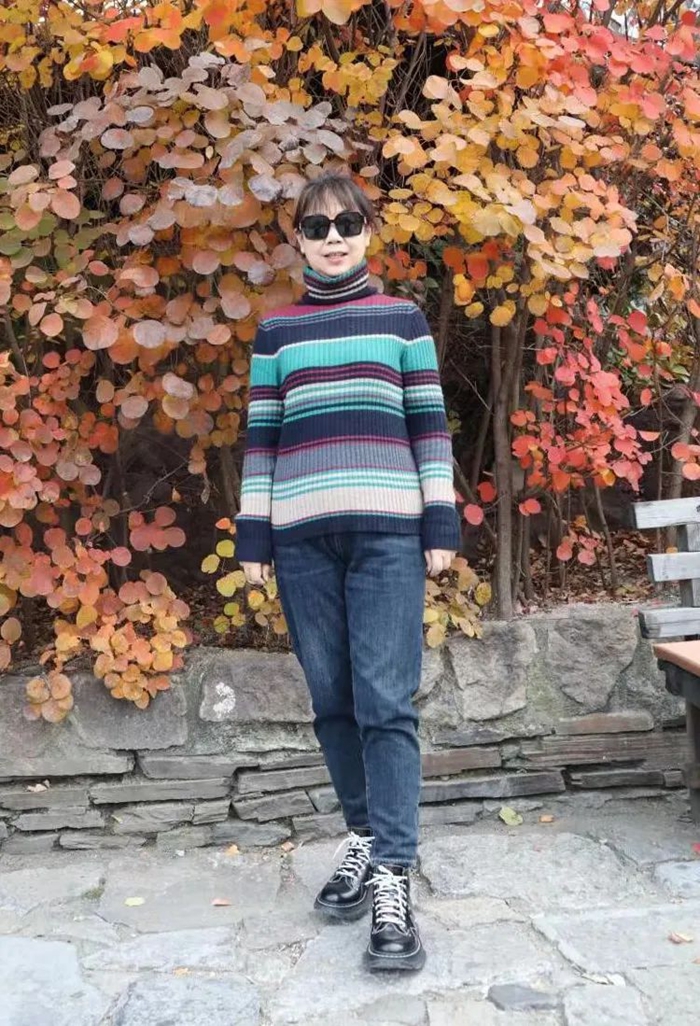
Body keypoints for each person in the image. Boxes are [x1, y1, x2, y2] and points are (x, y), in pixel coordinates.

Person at [235, 170, 460, 972]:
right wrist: (253, 538)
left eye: (347, 223)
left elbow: (429, 425)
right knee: (332, 700)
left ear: (368, 231)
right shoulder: (276, 333)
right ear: (297, 237)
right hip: (300, 540)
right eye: (317, 225)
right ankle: (363, 835)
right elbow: (262, 439)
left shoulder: (402, 321)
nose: (333, 238)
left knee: (385, 703)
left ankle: (393, 875)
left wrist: (440, 519)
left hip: (389, 538)